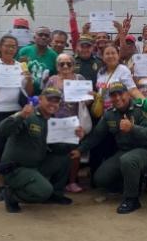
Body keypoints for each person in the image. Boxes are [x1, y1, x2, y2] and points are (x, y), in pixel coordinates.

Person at [78, 81, 147, 213]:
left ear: (128, 94)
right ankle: (131, 183)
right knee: (100, 179)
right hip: (124, 152)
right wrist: (79, 150)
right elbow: (96, 136)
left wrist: (133, 128)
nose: (117, 98)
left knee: (128, 160)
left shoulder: (141, 109)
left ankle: (131, 199)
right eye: (113, 95)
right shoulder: (110, 114)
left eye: (121, 94)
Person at [0, 87, 78, 212]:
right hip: (17, 169)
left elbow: (57, 148)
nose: (53, 104)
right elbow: (1, 131)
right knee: (44, 191)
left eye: (56, 101)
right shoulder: (29, 115)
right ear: (40, 99)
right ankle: (11, 195)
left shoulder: (52, 121)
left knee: (64, 157)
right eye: (49, 100)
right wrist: (21, 116)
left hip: (35, 165)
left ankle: (55, 194)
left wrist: (76, 139)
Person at [0, 34, 34, 180]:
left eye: (13, 46)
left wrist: (29, 80)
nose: (10, 49)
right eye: (7, 45)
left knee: (16, 146)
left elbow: (29, 93)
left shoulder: (21, 67)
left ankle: (15, 178)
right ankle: (3, 180)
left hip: (18, 111)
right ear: (0, 47)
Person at [46, 52, 93, 193]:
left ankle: (72, 182)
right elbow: (45, 98)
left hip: (75, 122)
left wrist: (89, 97)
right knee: (56, 152)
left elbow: (87, 103)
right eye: (62, 64)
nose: (65, 66)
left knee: (74, 153)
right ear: (57, 66)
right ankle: (57, 182)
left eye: (69, 63)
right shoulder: (52, 80)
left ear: (73, 65)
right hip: (56, 122)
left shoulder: (79, 79)